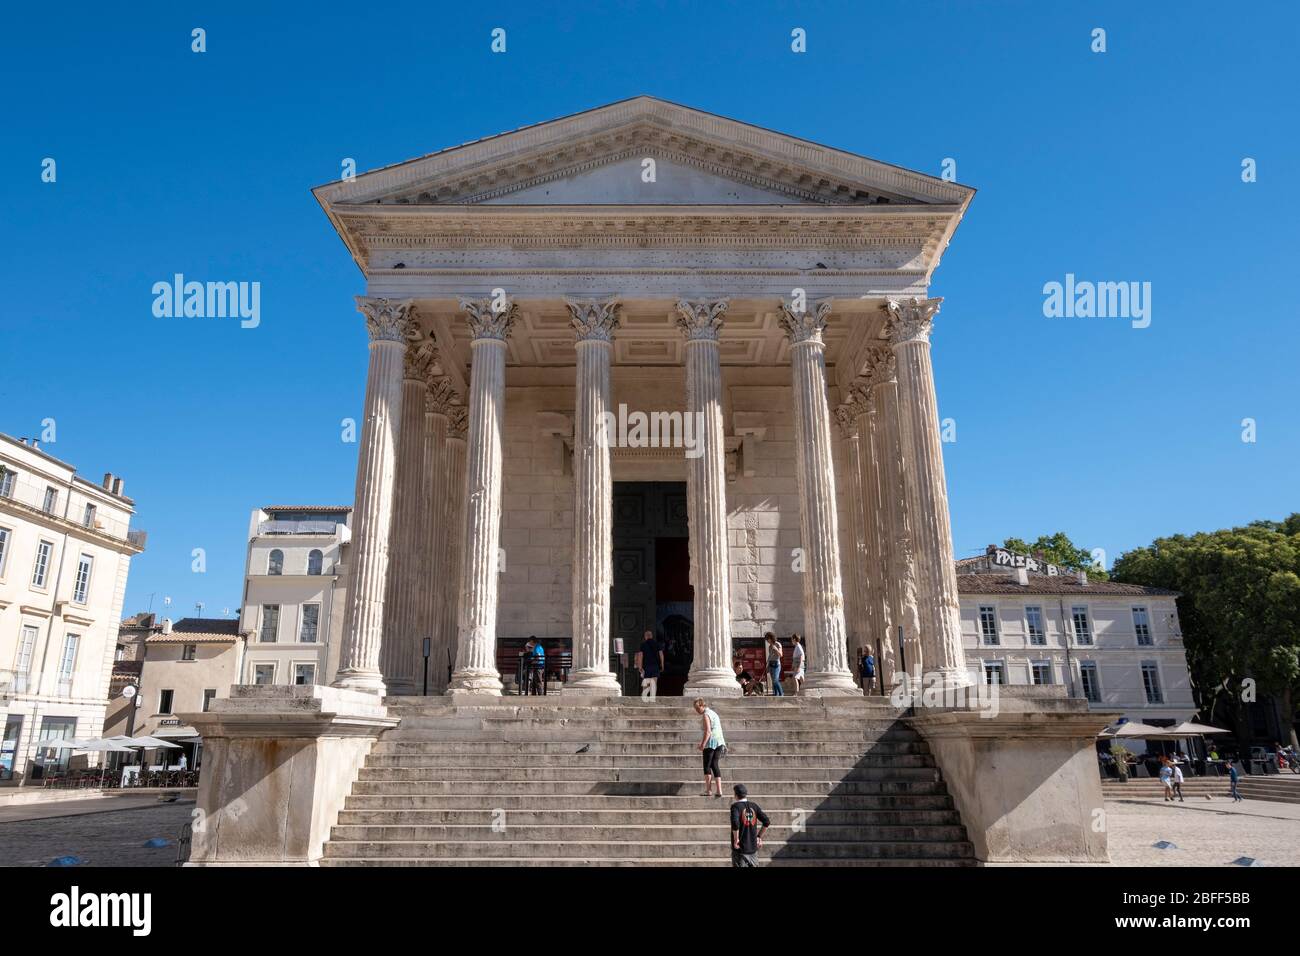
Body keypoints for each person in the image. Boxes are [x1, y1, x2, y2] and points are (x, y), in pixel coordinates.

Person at [729, 783, 770, 867]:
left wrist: (736, 839)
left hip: (740, 851)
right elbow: (766, 821)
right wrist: (759, 836)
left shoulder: (735, 806)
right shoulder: (754, 806)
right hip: (753, 850)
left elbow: (735, 823)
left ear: (735, 795)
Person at [694, 697, 726, 798]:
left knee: (707, 766)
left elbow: (708, 731)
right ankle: (719, 790)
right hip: (719, 742)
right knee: (715, 765)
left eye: (697, 708)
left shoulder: (706, 715)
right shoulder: (713, 713)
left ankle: (708, 790)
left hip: (711, 743)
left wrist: (702, 744)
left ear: (702, 705)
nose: (697, 710)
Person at [635, 629, 664, 700]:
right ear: (651, 636)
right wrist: (662, 665)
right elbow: (661, 655)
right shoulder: (657, 644)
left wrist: (640, 666)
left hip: (646, 666)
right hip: (655, 666)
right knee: (654, 682)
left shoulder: (643, 645)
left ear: (645, 637)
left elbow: (640, 655)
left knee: (646, 682)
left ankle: (644, 698)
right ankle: (652, 698)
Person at [765, 632, 784, 696]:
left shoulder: (778, 644)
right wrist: (767, 665)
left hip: (776, 665)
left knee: (776, 680)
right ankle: (776, 694)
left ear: (771, 638)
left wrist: (776, 649)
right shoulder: (770, 646)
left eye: (768, 639)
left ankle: (781, 694)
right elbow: (770, 656)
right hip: (770, 664)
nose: (767, 641)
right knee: (773, 681)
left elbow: (781, 655)